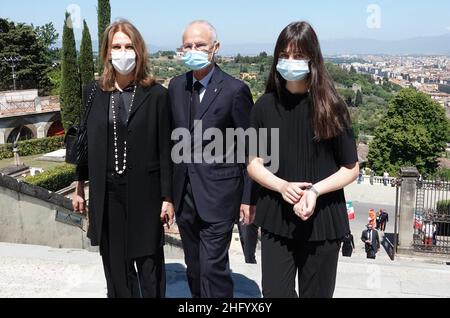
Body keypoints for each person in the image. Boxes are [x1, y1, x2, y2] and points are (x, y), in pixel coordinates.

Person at [247, 21, 359, 298]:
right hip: (276, 218)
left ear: (313, 58)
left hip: (323, 220)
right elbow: (252, 163)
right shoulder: (264, 106)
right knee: (274, 292)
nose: (290, 62)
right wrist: (282, 186)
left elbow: (350, 168)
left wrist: (315, 191)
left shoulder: (332, 107)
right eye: (284, 55)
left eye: (298, 55)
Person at [72, 20, 174, 298]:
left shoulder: (157, 95)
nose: (123, 52)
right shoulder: (93, 92)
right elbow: (85, 142)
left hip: (146, 194)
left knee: (149, 265)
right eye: (116, 46)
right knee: (116, 268)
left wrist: (168, 197)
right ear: (106, 52)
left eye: (129, 46)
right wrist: (80, 186)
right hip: (108, 196)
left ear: (139, 51)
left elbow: (166, 150)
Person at [168, 20, 256, 298]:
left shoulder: (234, 90)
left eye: (200, 45)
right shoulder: (175, 86)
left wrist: (248, 197)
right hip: (185, 196)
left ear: (215, 48)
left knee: (213, 268)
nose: (193, 50)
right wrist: (168, 196)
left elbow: (252, 147)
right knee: (193, 266)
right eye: (188, 46)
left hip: (220, 195)